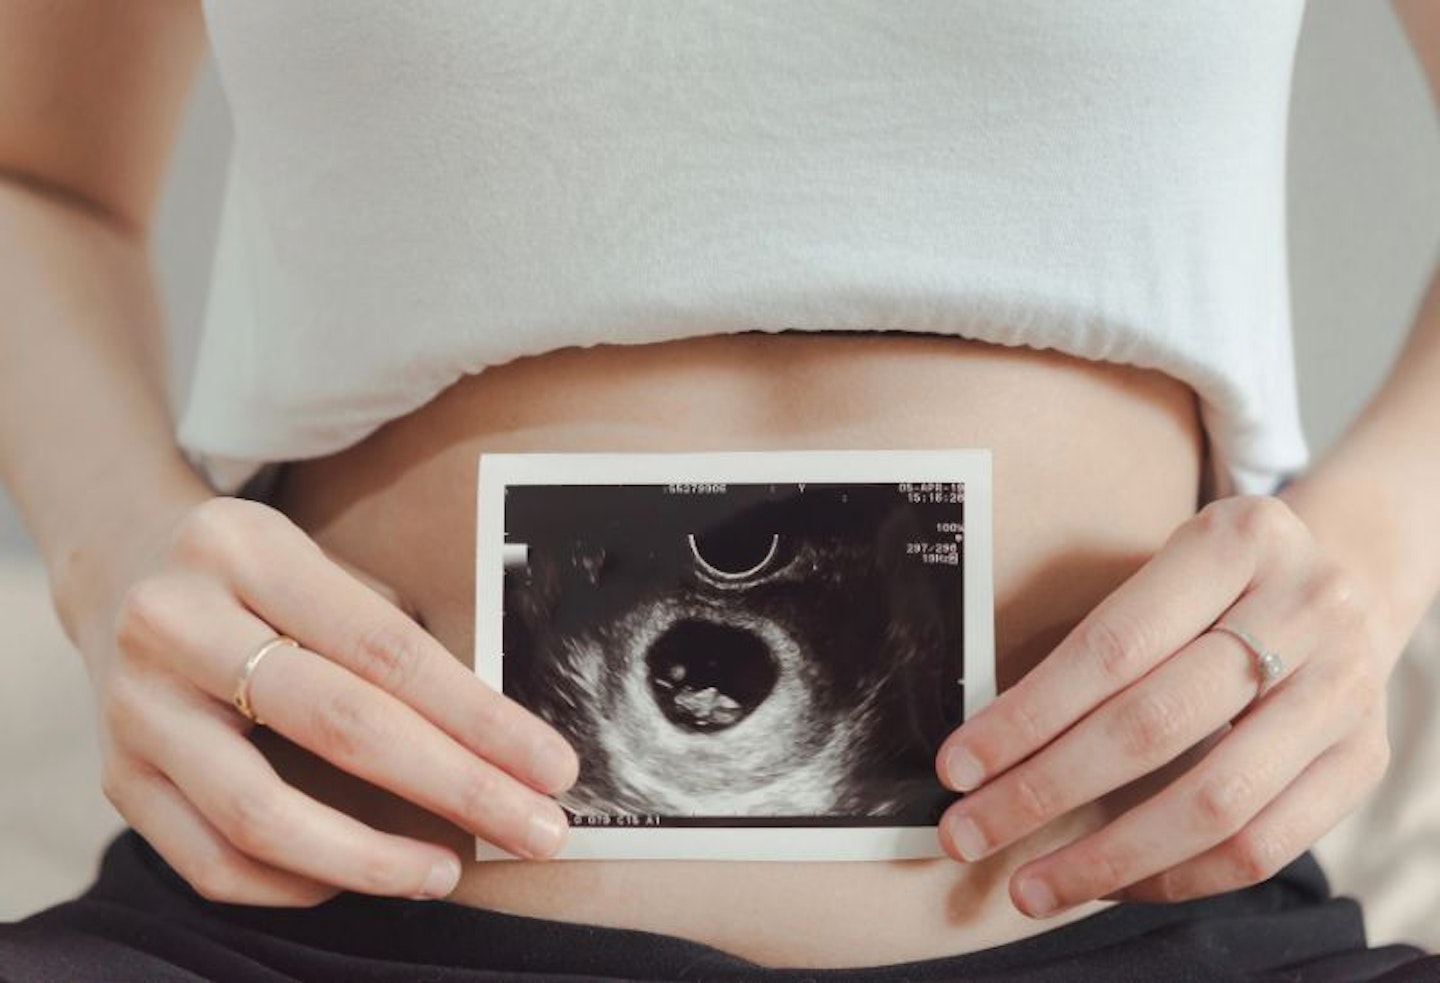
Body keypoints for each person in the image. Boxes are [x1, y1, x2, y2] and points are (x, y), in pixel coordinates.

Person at [2, 1, 1439, 980]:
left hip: (1146, 916)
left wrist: (1374, 552)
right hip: (312, 919)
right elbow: (33, 177)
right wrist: (113, 543)